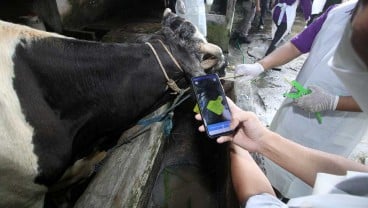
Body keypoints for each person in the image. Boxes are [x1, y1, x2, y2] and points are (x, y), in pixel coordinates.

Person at [194, 2, 368, 206]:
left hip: (336, 127)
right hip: (297, 107)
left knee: (304, 181)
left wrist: (334, 102)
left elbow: (259, 200)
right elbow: (298, 43)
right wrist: (260, 65)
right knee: (278, 155)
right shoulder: (338, 12)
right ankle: (274, 182)